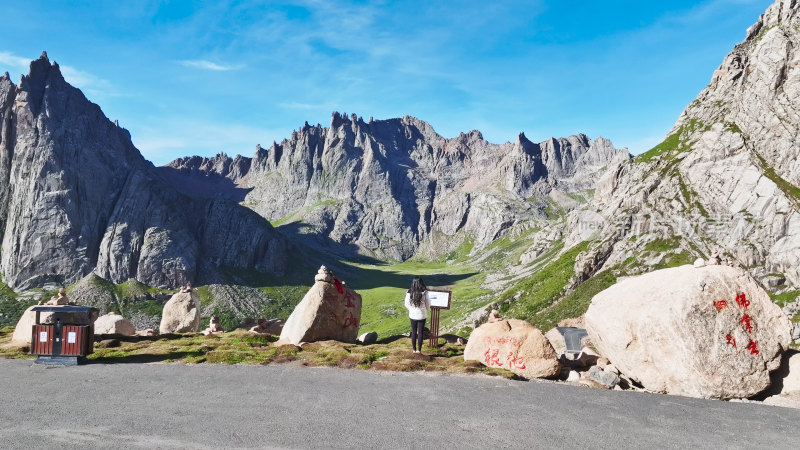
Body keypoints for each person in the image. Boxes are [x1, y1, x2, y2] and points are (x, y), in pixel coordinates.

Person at [404, 276, 430, 353]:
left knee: (414, 331)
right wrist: (425, 310)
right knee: (420, 332)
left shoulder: (409, 292)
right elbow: (428, 304)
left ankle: (414, 350)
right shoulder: (425, 292)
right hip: (422, 315)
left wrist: (411, 310)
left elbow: (406, 304)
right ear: (421, 282)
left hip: (412, 315)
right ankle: (419, 350)